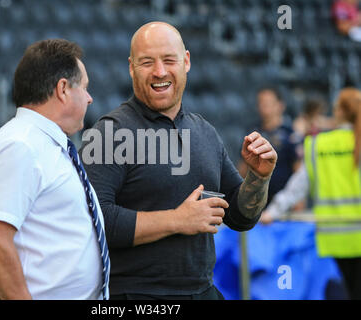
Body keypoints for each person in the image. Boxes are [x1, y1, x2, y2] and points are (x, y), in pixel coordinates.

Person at [80, 22, 277, 300]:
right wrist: (176, 220)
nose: (160, 72)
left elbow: (240, 217)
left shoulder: (204, 132)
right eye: (147, 62)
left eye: (169, 60)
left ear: (186, 61)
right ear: (131, 67)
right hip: (137, 296)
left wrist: (258, 177)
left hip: (203, 291)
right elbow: (96, 221)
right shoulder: (109, 132)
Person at [0, 39, 109, 300]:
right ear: (62, 89)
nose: (90, 98)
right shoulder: (19, 144)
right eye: (84, 87)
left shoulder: (43, 142)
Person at [260, 87, 361, 300]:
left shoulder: (318, 145)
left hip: (330, 243)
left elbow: (297, 187)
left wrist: (272, 212)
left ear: (339, 112)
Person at [239, 87, 301, 206]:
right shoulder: (253, 132)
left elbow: (298, 170)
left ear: (280, 105)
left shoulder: (291, 134)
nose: (264, 107)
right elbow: (243, 165)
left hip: (283, 201)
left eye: (268, 103)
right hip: (256, 200)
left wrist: (298, 202)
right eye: (261, 103)